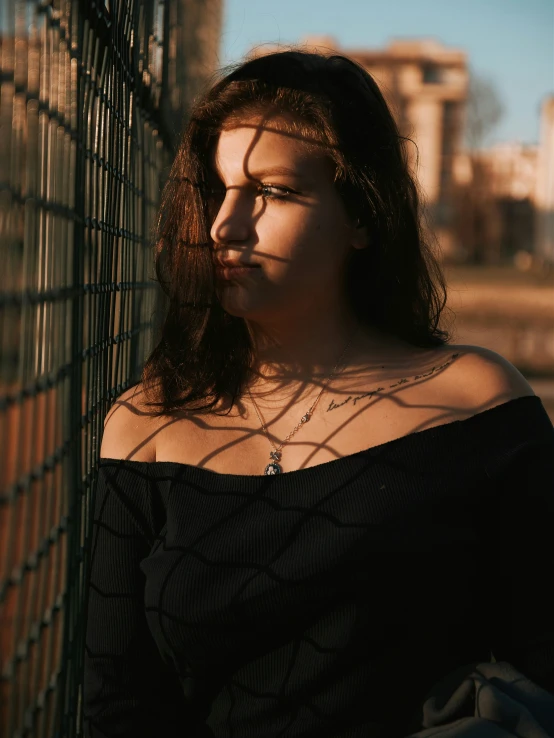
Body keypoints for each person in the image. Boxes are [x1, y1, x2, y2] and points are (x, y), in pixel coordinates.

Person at [82, 48, 554, 737]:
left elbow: (543, 665)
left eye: (272, 192)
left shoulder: (472, 403)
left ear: (362, 215)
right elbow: (118, 705)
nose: (226, 227)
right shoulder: (147, 426)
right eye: (218, 191)